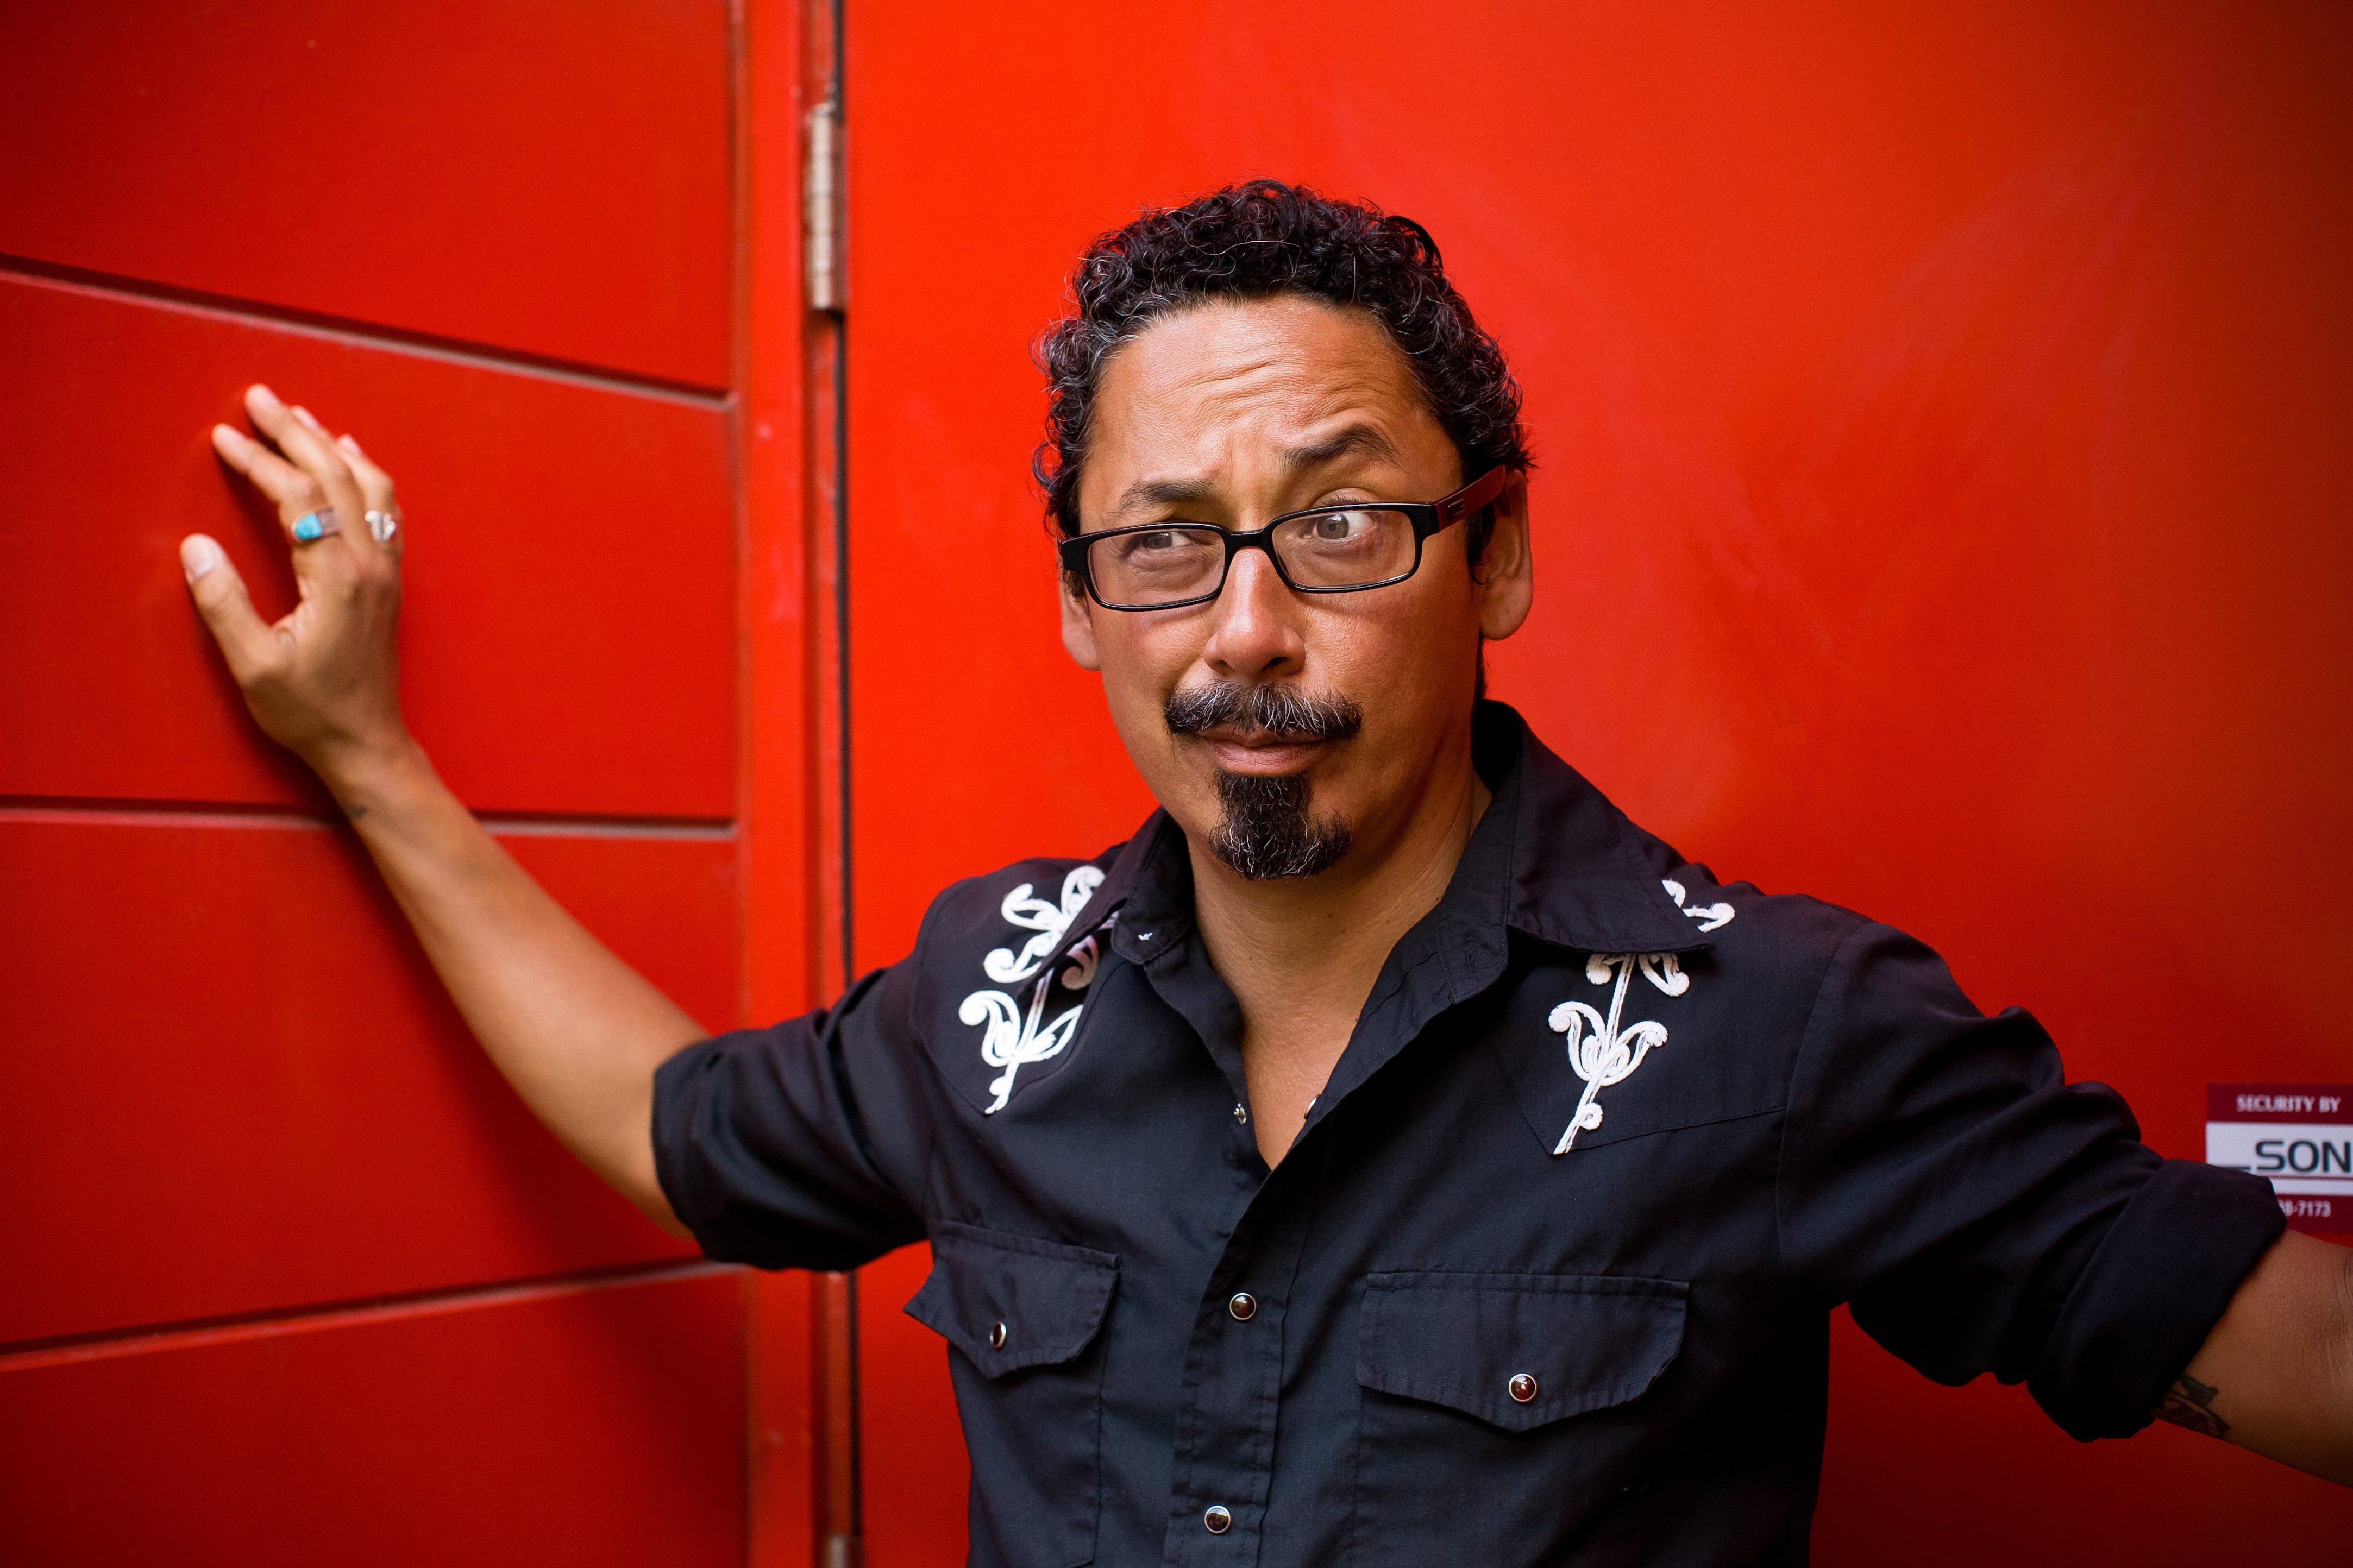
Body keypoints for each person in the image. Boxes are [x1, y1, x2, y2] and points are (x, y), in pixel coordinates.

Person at [177, 181, 2349, 1565]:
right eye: (1161, 543)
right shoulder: (992, 1001)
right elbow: (677, 1128)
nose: (1242, 632)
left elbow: (2287, 1345)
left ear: (1495, 557)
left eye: (1339, 524)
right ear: (1079, 601)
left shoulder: (1773, 1028)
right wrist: (365, 755)